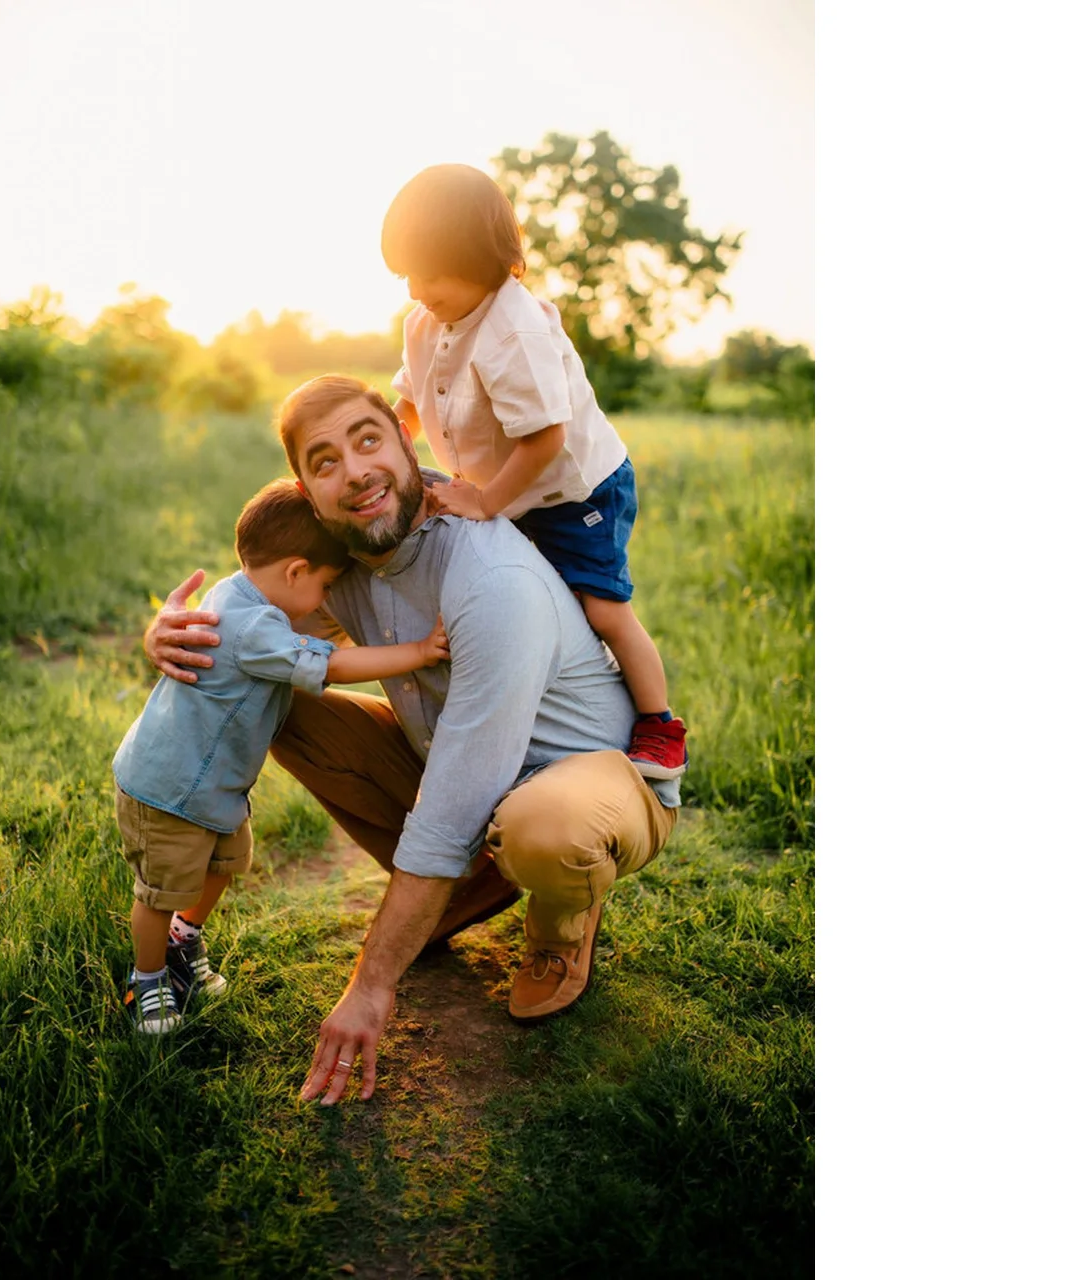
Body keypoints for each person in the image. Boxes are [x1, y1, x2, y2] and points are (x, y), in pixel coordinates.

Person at [145, 376, 682, 1101]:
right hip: (457, 765)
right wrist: (168, 634)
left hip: (588, 779)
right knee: (282, 701)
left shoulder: (489, 576)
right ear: (305, 489)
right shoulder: (342, 551)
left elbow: (455, 804)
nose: (355, 471)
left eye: (368, 440)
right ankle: (464, 890)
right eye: (325, 460)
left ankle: (563, 925)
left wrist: (371, 985)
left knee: (543, 828)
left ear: (407, 439)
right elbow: (250, 639)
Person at [378, 163, 688, 780]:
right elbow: (410, 399)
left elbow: (546, 438)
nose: (415, 289)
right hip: (512, 487)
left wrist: (486, 502)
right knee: (523, 597)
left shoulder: (513, 330)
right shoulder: (427, 321)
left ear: (482, 261)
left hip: (576, 490)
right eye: (406, 274)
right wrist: (385, 444)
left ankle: (660, 727)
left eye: (429, 275)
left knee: (600, 607)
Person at [112, 479, 448, 1035]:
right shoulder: (255, 629)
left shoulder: (238, 591)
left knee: (222, 866)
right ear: (295, 572)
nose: (326, 598)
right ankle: (147, 980)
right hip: (169, 789)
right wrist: (417, 652)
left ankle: (182, 942)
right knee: (161, 891)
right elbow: (332, 665)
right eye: (326, 585)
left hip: (214, 788)